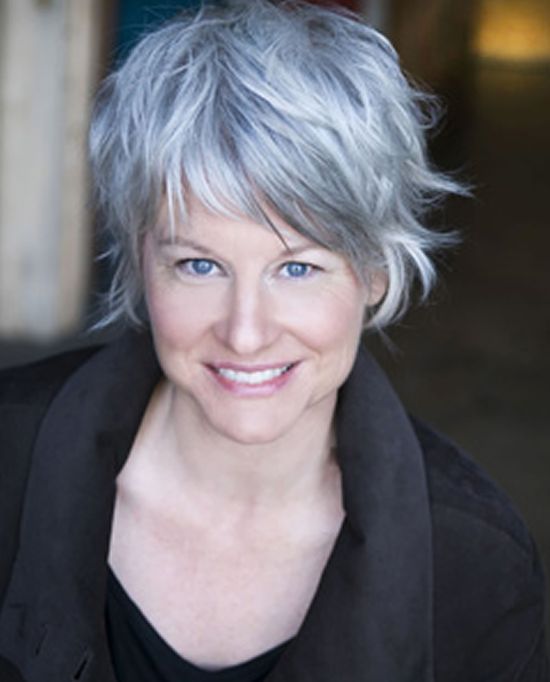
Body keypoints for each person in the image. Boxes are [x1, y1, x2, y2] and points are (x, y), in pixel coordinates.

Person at [0, 1, 547, 681]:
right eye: (199, 265)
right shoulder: (7, 457)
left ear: (375, 272)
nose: (246, 332)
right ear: (141, 260)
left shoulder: (478, 564)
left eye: (297, 269)